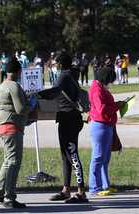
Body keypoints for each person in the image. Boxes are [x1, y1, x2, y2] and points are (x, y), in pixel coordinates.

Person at [38, 52, 88, 203]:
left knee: (72, 155)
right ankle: (66, 189)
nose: (54, 66)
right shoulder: (71, 74)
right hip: (69, 118)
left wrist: (37, 94)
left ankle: (81, 192)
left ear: (59, 64)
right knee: (66, 155)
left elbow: (54, 92)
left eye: (55, 63)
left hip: (69, 119)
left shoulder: (64, 76)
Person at [0, 57, 30, 208]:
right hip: (12, 126)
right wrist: (31, 105)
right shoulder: (14, 86)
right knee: (14, 162)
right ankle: (9, 197)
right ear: (19, 71)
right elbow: (20, 109)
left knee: (8, 161)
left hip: (2, 124)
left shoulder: (2, 86)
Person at [88, 67, 124, 196]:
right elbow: (102, 110)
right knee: (97, 158)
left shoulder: (101, 88)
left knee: (105, 158)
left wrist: (116, 104)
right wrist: (116, 106)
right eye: (110, 80)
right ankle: (94, 188)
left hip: (107, 126)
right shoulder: (96, 89)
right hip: (100, 126)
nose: (111, 83)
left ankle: (105, 185)